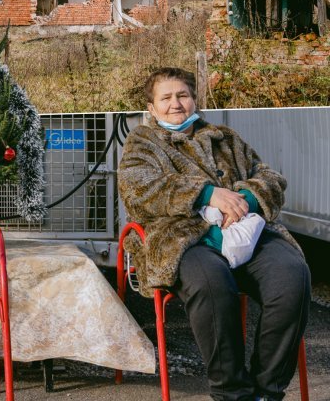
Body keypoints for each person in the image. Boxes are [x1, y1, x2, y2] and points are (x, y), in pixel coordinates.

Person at [118, 67, 310, 401]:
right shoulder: (142, 143)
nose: (176, 104)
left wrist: (243, 199)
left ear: (194, 99)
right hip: (181, 236)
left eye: (183, 95)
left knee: (292, 276)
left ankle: (267, 390)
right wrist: (208, 194)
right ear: (151, 108)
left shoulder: (225, 138)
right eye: (166, 98)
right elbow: (138, 188)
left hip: (244, 231)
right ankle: (232, 391)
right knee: (211, 283)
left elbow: (269, 176)